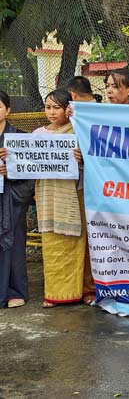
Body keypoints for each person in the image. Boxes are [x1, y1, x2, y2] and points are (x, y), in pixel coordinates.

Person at [35, 89, 95, 307]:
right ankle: (55, 294)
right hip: (48, 198)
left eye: (57, 108)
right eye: (48, 107)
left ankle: (87, 289)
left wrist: (83, 159)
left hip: (75, 196)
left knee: (80, 244)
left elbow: (96, 163)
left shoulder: (78, 131)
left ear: (67, 110)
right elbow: (26, 164)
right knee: (53, 245)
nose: (51, 112)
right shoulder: (37, 135)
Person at [0, 91, 34, 308]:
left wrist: (10, 170)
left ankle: (14, 291)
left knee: (14, 243)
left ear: (8, 110)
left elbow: (31, 171)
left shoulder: (19, 138)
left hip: (11, 197)